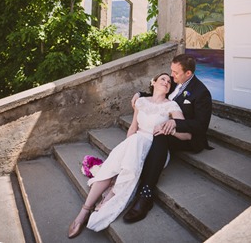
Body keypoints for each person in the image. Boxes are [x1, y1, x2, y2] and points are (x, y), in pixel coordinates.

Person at [68, 72, 191, 238]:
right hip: (135, 144)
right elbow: (133, 128)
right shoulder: (140, 101)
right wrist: (125, 148)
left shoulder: (172, 106)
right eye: (163, 79)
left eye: (169, 81)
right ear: (153, 82)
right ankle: (85, 210)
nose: (167, 82)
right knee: (116, 160)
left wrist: (171, 127)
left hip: (154, 151)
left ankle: (111, 195)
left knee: (131, 150)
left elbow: (187, 135)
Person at [123, 53, 212, 224]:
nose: (171, 76)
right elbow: (159, 92)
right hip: (163, 130)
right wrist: (139, 93)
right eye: (171, 71)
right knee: (155, 133)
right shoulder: (175, 83)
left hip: (189, 137)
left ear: (188, 74)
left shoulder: (201, 93)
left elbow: (201, 126)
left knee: (161, 134)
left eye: (175, 73)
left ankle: (146, 194)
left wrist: (175, 124)